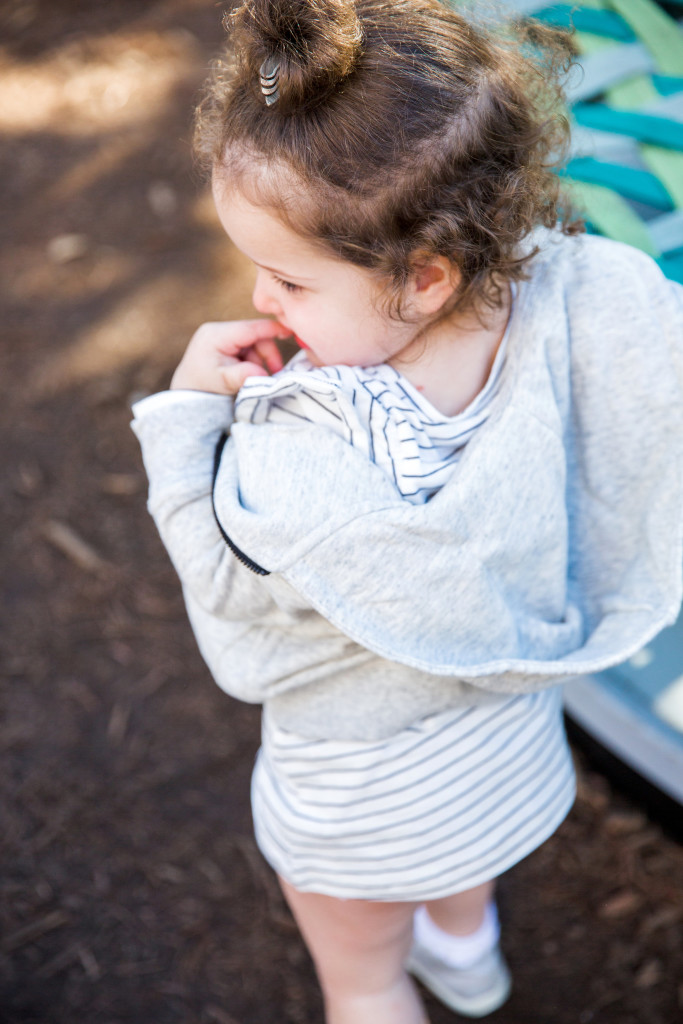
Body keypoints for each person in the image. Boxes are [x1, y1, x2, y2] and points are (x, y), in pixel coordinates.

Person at [131, 1, 683, 1021]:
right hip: (512, 759)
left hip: (360, 805)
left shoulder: (297, 453)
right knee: (453, 877)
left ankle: (395, 990)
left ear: (423, 277)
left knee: (364, 975)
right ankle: (471, 960)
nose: (260, 297)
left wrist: (186, 420)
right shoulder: (586, 302)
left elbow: (235, 629)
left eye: (290, 278)